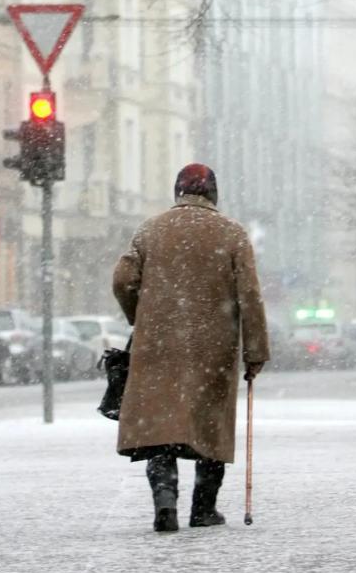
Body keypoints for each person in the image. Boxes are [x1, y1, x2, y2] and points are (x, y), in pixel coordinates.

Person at [112, 163, 269, 532]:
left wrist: (141, 315)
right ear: (213, 193)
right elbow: (250, 295)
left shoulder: (150, 230)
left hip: (157, 346)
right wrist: (256, 351)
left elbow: (122, 278)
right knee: (209, 426)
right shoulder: (231, 234)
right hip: (211, 347)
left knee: (159, 431)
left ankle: (165, 502)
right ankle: (203, 507)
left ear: (177, 192)